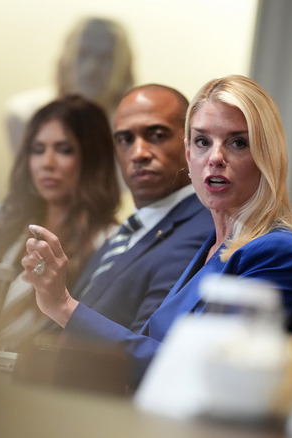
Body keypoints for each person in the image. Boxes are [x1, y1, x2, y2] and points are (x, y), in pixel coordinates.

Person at [23, 75, 292, 390]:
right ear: (188, 154)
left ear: (268, 156)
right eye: (202, 141)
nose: (215, 158)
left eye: (237, 142)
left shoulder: (277, 253)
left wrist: (64, 306)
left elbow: (198, 375)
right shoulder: (216, 245)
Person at [0, 95, 121, 352]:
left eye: (64, 150)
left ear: (92, 159)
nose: (47, 163)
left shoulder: (110, 242)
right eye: (38, 150)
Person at [59, 84, 213, 334]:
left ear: (192, 143)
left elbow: (143, 347)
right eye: (125, 139)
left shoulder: (203, 230)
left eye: (157, 135)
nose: (138, 153)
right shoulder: (127, 232)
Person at [5, 17, 134, 153]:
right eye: (83, 54)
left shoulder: (141, 133)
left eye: (105, 58)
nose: (92, 69)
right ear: (65, 60)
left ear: (125, 68)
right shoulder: (24, 117)